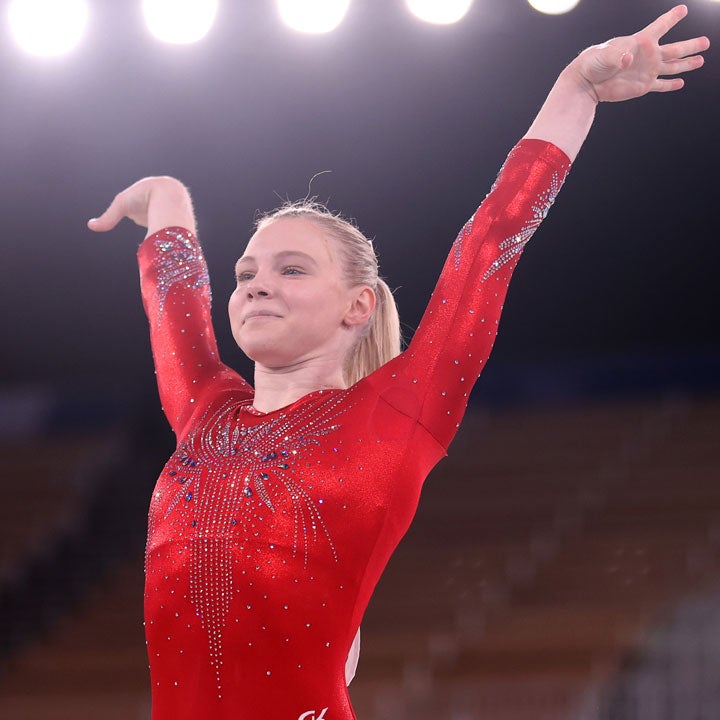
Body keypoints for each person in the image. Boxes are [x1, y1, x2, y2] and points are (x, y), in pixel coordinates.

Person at [88, 6, 708, 720]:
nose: (255, 283)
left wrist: (577, 90)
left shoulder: (395, 416)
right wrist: (167, 200)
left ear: (357, 306)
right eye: (247, 271)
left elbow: (489, 244)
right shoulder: (205, 413)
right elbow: (177, 310)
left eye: (291, 270)